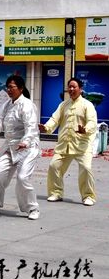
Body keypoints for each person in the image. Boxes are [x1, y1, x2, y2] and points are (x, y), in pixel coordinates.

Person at [0, 75, 40, 220]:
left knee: (22, 177)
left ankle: (32, 208)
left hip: (28, 147)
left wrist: (25, 142)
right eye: (7, 87)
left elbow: (31, 127)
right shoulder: (7, 104)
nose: (9, 90)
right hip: (10, 146)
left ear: (20, 88)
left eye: (12, 87)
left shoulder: (27, 105)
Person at [39, 77, 98, 206]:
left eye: (74, 86)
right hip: (64, 144)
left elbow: (92, 122)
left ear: (80, 89)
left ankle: (88, 196)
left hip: (81, 144)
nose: (71, 89)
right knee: (54, 166)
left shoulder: (87, 105)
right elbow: (55, 119)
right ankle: (56, 193)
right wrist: (47, 127)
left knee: (86, 168)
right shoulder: (63, 105)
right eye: (69, 87)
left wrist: (86, 129)